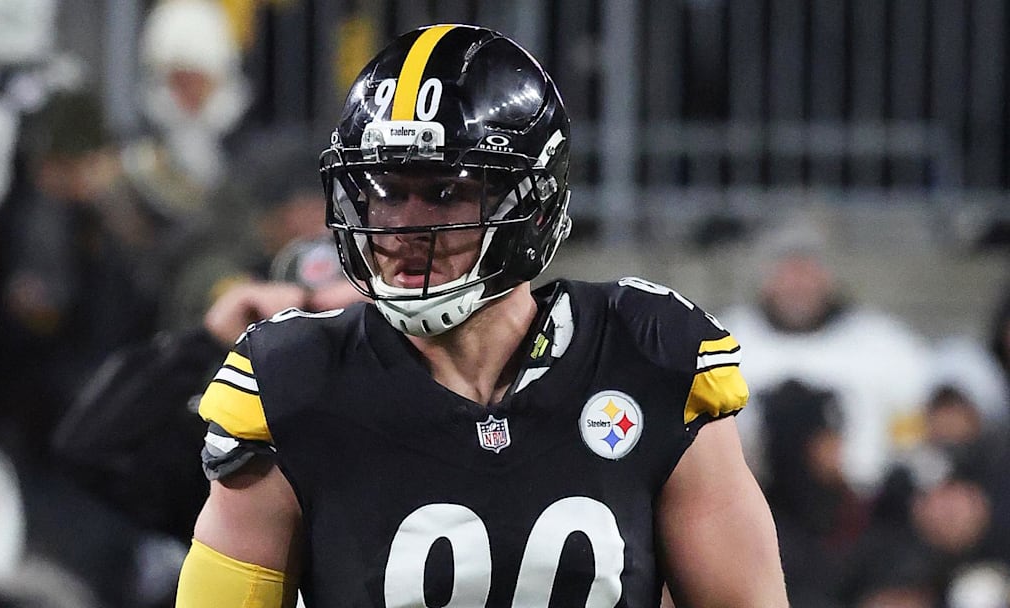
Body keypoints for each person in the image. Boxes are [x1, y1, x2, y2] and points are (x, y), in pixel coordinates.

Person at [175, 24, 786, 607]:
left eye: (446, 191)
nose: (407, 227)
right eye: (386, 191)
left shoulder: (647, 353)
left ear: (535, 206)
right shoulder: (293, 383)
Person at [719, 221, 935, 493]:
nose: (798, 284)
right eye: (787, 270)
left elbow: (913, 440)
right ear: (765, 278)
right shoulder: (724, 341)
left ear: (829, 276)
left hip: (860, 509)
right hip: (749, 498)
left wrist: (857, 464)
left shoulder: (885, 344)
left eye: (808, 270)